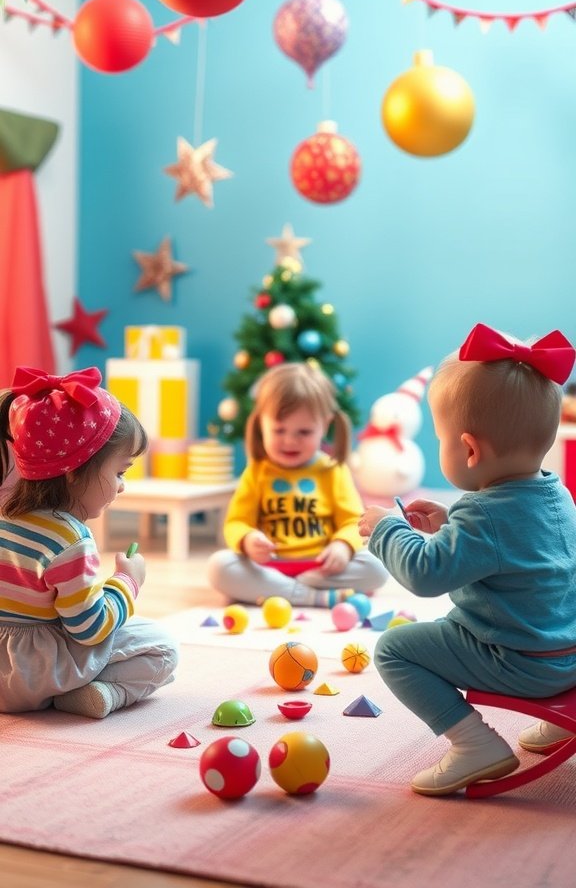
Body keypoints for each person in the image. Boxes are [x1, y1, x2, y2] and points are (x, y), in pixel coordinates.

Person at [359, 322, 576, 796]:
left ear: (469, 449)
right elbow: (512, 553)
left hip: (517, 661)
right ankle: (563, 722)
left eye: (440, 438)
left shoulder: (483, 514)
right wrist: (447, 525)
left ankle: (473, 742)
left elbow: (425, 574)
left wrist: (386, 530)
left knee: (395, 649)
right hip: (567, 657)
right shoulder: (556, 494)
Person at [0, 365, 178, 719]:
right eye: (120, 472)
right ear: (74, 472)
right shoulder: (70, 539)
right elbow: (89, 629)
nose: (122, 485)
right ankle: (101, 694)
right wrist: (127, 582)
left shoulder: (7, 519)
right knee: (162, 648)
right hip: (36, 675)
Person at [208, 362, 386, 607]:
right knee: (219, 567)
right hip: (269, 565)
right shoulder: (257, 471)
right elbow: (236, 522)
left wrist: (342, 546)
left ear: (324, 425)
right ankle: (313, 596)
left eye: (303, 432)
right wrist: (248, 539)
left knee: (378, 567)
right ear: (261, 425)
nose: (290, 441)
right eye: (279, 430)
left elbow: (353, 522)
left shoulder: (332, 470)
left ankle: (281, 591)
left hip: (320, 566)